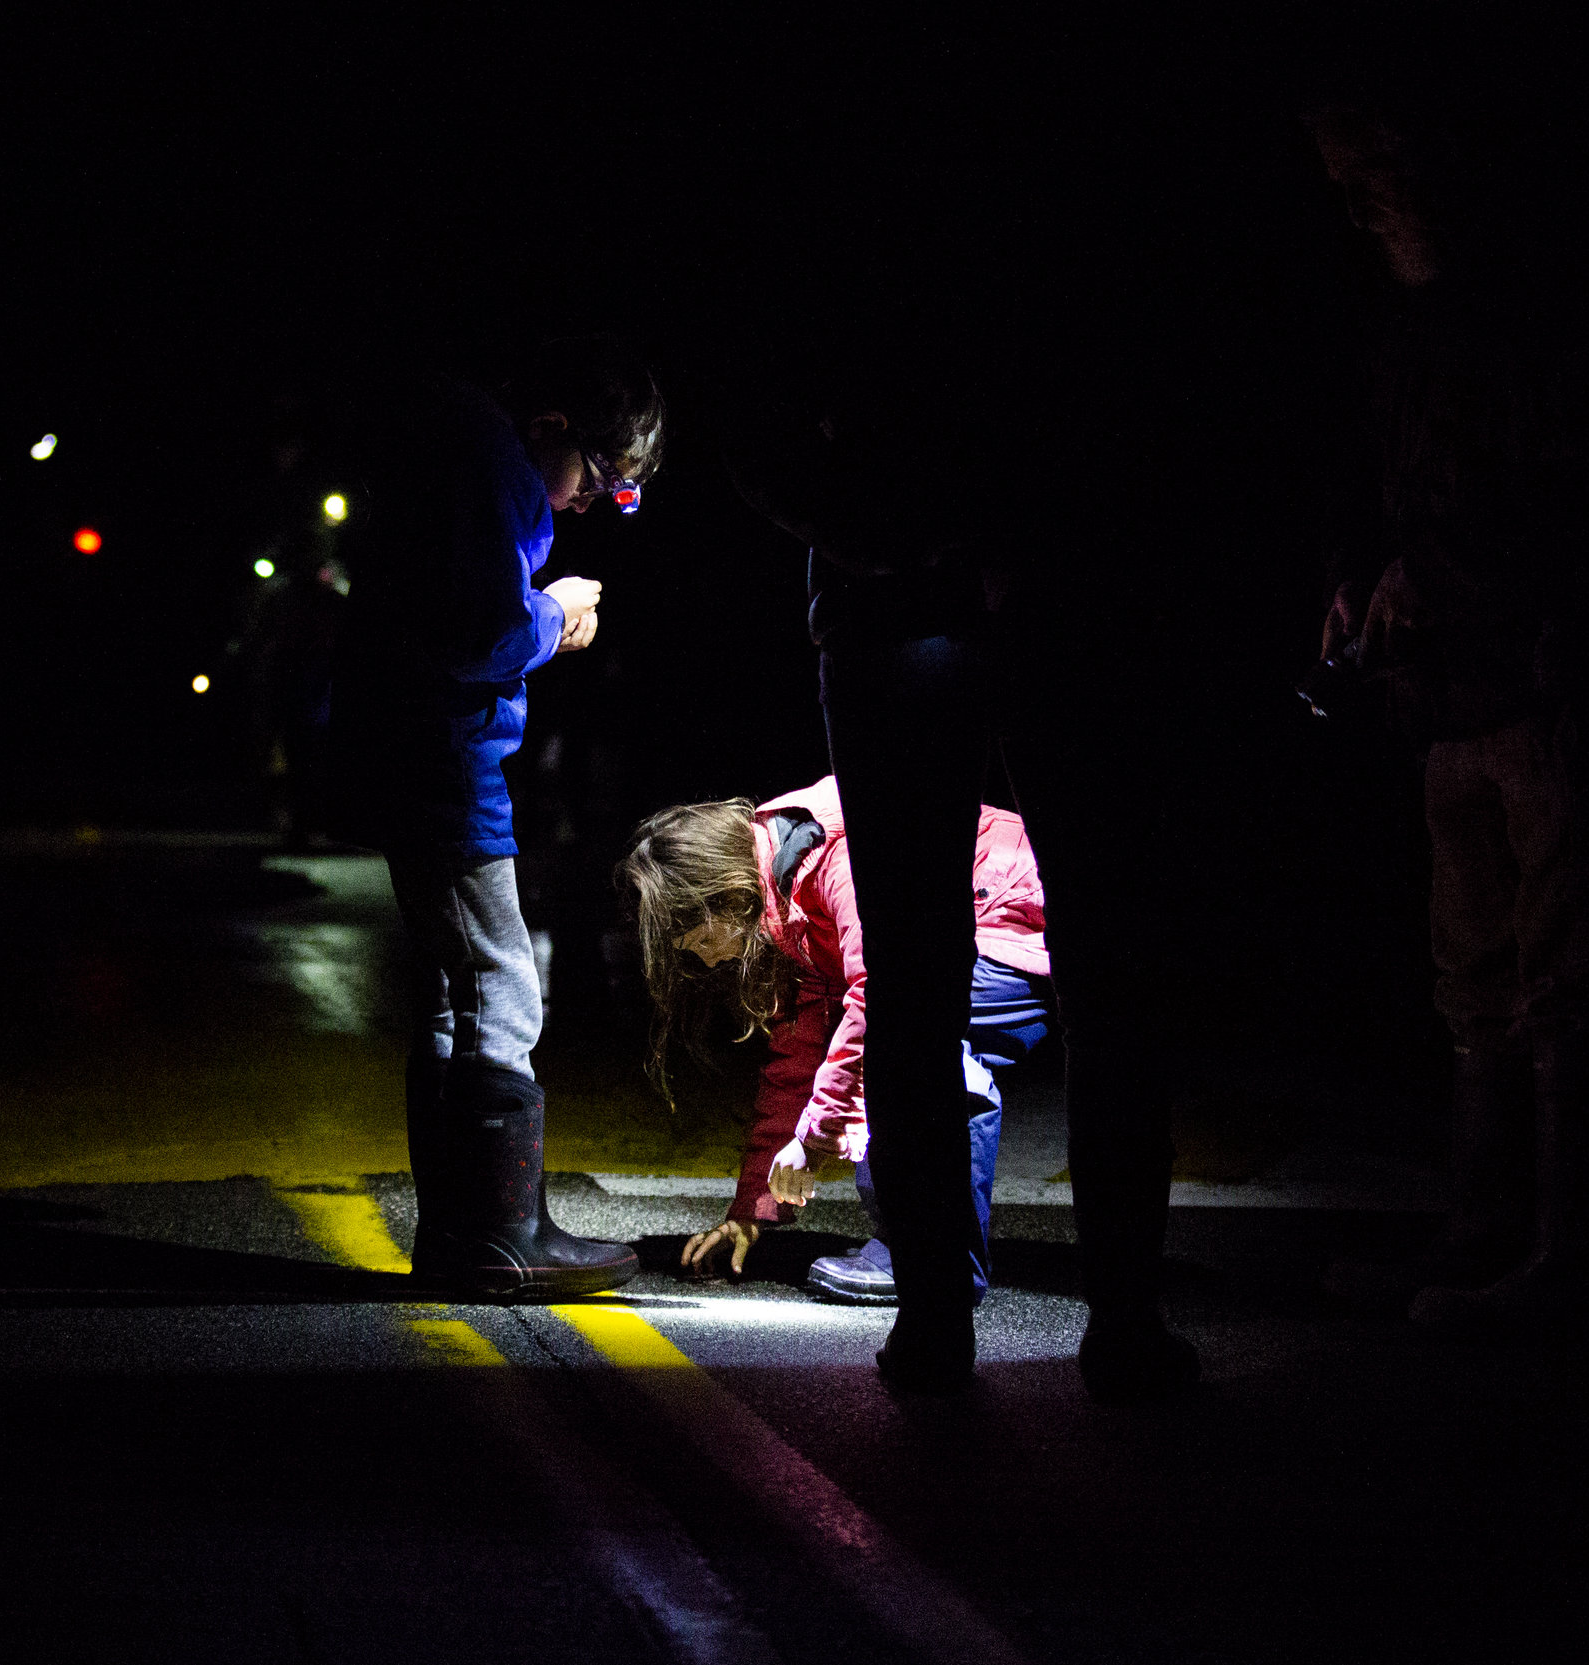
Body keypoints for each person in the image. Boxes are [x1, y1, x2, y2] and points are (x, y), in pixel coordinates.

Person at [722, 401, 1202, 1401]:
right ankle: (1119, 1324)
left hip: (912, 602)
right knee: (1107, 978)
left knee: (914, 981)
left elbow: (753, 425)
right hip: (1066, 589)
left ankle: (937, 1319)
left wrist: (877, 534)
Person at [1300, 103, 1589, 1325]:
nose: (1360, 204)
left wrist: (1435, 569)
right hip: (1450, 699)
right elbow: (1389, 488)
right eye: (1344, 180)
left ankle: (1562, 1260)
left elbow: (1577, 506)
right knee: (1475, 980)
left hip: (1541, 691)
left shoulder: (1537, 325)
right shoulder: (1410, 330)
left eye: (1376, 171)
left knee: (1564, 982)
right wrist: (1357, 574)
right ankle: (1484, 1236)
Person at [327, 335, 664, 1299]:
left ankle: (459, 1233)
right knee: (500, 987)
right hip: (445, 762)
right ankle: (502, 1240)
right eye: (598, 477)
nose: (591, 502)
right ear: (552, 427)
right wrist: (551, 615)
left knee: (448, 996)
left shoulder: (453, 443)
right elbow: (477, 633)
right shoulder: (496, 467)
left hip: (406, 754)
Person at [615, 776, 1053, 1303]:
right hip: (987, 923)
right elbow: (795, 1062)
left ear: (726, 896)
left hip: (1023, 912)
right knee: (898, 1039)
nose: (708, 961)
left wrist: (814, 1137)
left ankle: (930, 1260)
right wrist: (753, 1211)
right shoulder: (784, 890)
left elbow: (881, 993)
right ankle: (925, 1249)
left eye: (704, 941)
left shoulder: (830, 855)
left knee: (903, 1041)